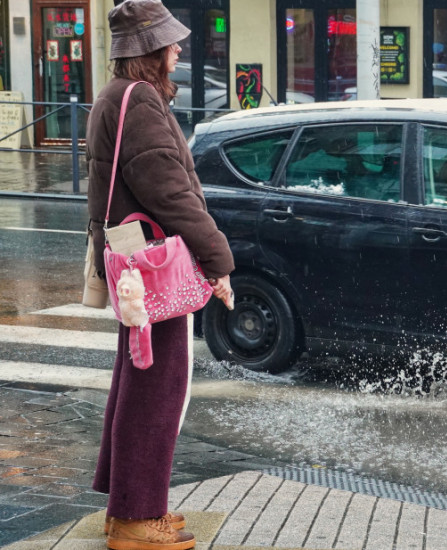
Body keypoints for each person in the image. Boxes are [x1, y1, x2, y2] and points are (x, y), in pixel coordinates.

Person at [85, 1, 234, 549]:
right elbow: (170, 194)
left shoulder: (113, 94)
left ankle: (127, 505)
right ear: (149, 49)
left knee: (135, 381)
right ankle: (134, 519)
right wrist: (218, 259)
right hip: (152, 267)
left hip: (130, 262)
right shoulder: (141, 100)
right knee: (156, 388)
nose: (178, 49)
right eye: (170, 42)